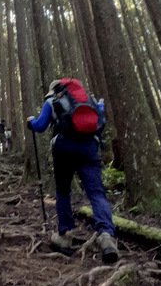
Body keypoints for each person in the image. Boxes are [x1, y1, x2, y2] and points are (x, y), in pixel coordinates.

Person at [27, 78, 119, 263]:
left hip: (64, 149)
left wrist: (31, 122)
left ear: (54, 90)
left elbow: (40, 126)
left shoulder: (51, 102)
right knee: (96, 193)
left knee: (63, 191)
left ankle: (65, 235)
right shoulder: (90, 100)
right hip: (89, 148)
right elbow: (101, 119)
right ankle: (106, 235)